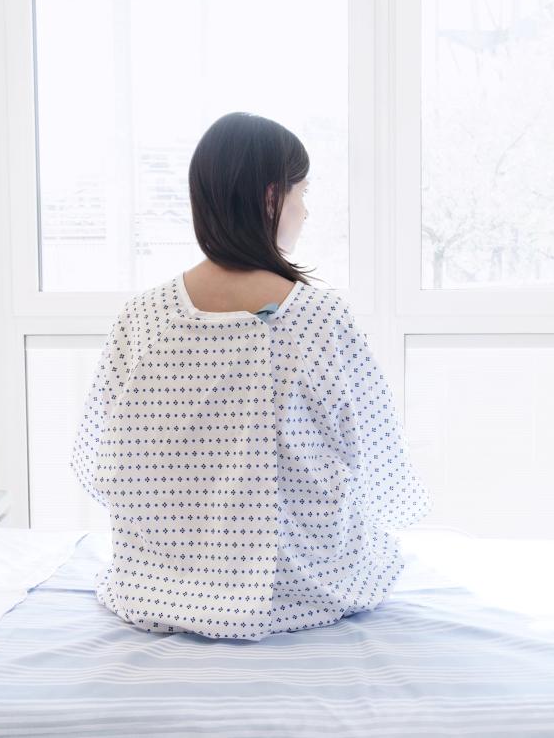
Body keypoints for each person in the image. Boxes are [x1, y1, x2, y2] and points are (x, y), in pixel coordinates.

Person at [71, 112, 433, 641]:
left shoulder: (142, 318)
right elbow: (377, 461)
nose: (305, 212)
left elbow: (99, 461)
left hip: (154, 583)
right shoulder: (318, 319)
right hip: (300, 586)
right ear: (270, 198)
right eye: (300, 193)